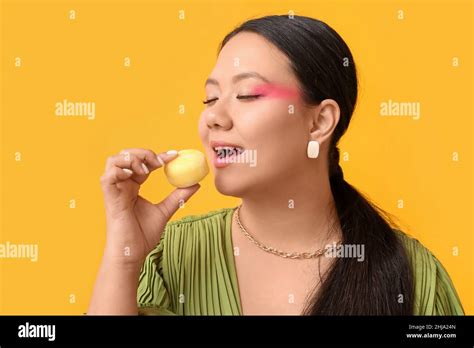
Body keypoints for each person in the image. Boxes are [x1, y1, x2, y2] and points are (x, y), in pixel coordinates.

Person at [87, 15, 464, 315]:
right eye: (209, 98)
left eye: (248, 94)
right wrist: (124, 256)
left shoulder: (414, 275)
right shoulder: (171, 256)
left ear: (319, 122)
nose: (214, 118)